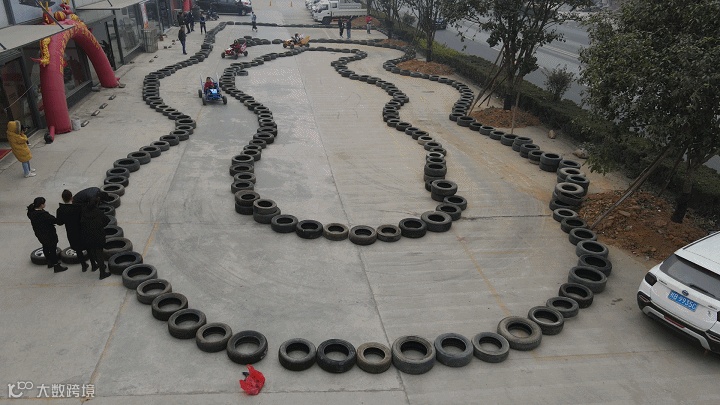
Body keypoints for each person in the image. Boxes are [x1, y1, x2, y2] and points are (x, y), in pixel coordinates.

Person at [27, 197, 68, 273]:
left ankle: (49, 262)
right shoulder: (43, 215)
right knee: (52, 249)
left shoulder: (31, 213)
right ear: (41, 205)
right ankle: (56, 265)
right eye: (44, 203)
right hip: (49, 234)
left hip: (40, 234)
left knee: (45, 246)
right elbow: (55, 220)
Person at [56, 190, 89, 272]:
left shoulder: (60, 210)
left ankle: (83, 265)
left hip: (71, 231)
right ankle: (94, 264)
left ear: (63, 198)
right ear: (72, 197)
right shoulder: (78, 207)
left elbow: (60, 222)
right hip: (81, 229)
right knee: (88, 246)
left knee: (78, 249)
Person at [80, 196, 110, 279]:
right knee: (99, 254)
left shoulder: (84, 211)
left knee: (92, 252)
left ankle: (99, 265)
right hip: (98, 236)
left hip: (87, 236)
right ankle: (102, 273)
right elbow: (107, 220)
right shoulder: (98, 212)